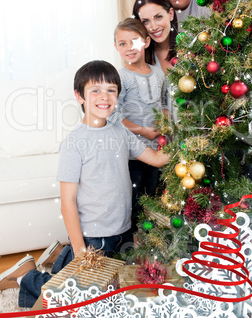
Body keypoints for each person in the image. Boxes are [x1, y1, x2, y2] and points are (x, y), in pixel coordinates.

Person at [0, 60, 169, 308]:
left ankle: (59, 257)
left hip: (122, 232)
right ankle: (28, 276)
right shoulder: (74, 143)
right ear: (80, 96)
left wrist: (190, 147)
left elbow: (155, 158)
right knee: (81, 298)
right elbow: (67, 202)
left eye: (111, 90)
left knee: (115, 289)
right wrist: (81, 252)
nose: (105, 96)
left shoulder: (121, 132)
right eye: (96, 90)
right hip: (93, 237)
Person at [113, 18, 169, 231]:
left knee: (153, 194)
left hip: (157, 149)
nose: (129, 48)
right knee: (134, 198)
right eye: (122, 43)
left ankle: (151, 239)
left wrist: (164, 125)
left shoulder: (158, 73)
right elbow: (115, 116)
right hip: (132, 153)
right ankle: (132, 240)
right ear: (116, 47)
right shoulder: (120, 77)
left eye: (134, 41)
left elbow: (163, 104)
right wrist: (143, 130)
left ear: (146, 42)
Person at [133, 0, 178, 120]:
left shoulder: (192, 48)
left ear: (170, 14)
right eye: (145, 22)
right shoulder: (139, 59)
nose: (153, 27)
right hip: (157, 136)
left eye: (158, 17)